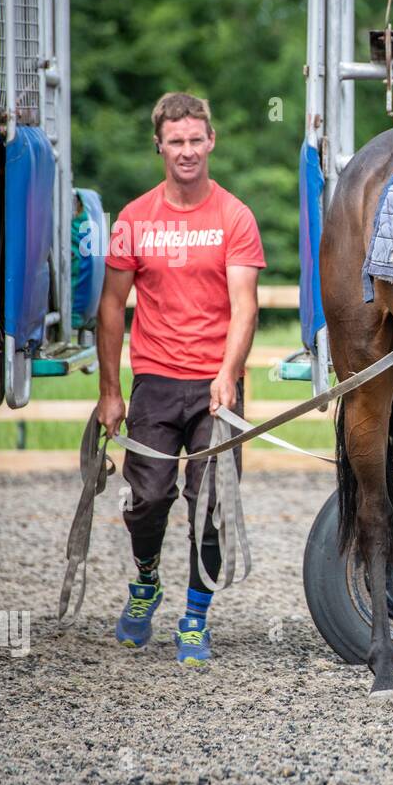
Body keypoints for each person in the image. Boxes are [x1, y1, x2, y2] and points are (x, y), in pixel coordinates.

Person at [96, 92, 264, 667]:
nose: (187, 151)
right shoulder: (134, 219)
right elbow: (112, 307)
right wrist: (111, 392)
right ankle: (146, 582)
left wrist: (228, 374)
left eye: (196, 140)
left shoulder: (234, 216)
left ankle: (195, 618)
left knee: (213, 507)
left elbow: (245, 306)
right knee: (147, 500)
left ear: (210, 141)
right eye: (176, 142)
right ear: (160, 146)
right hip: (156, 381)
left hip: (217, 387)